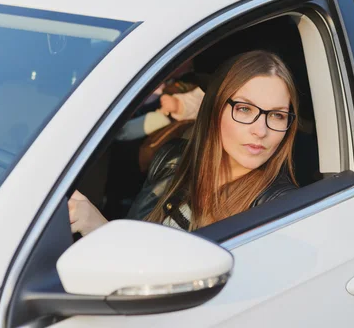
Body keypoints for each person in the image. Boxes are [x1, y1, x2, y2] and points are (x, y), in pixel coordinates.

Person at [69, 50, 300, 235]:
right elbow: (137, 247)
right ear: (214, 108)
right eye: (245, 109)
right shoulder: (173, 161)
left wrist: (100, 230)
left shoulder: (279, 207)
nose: (261, 131)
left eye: (277, 115)